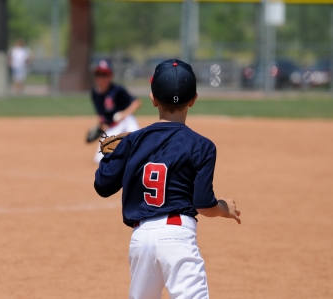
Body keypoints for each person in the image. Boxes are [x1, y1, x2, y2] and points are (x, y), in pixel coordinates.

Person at [94, 59, 241, 299]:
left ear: (153, 98)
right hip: (177, 237)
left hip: (140, 238)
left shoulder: (134, 141)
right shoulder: (202, 146)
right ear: (193, 99)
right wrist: (224, 208)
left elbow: (102, 185)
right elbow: (203, 203)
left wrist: (117, 155)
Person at [91, 59, 142, 163]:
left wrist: (124, 113)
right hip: (113, 126)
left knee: (138, 143)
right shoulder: (95, 94)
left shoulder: (117, 90)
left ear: (110, 76)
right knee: (99, 159)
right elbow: (102, 115)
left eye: (104, 74)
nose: (101, 78)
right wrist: (100, 127)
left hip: (126, 121)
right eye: (98, 74)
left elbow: (137, 102)